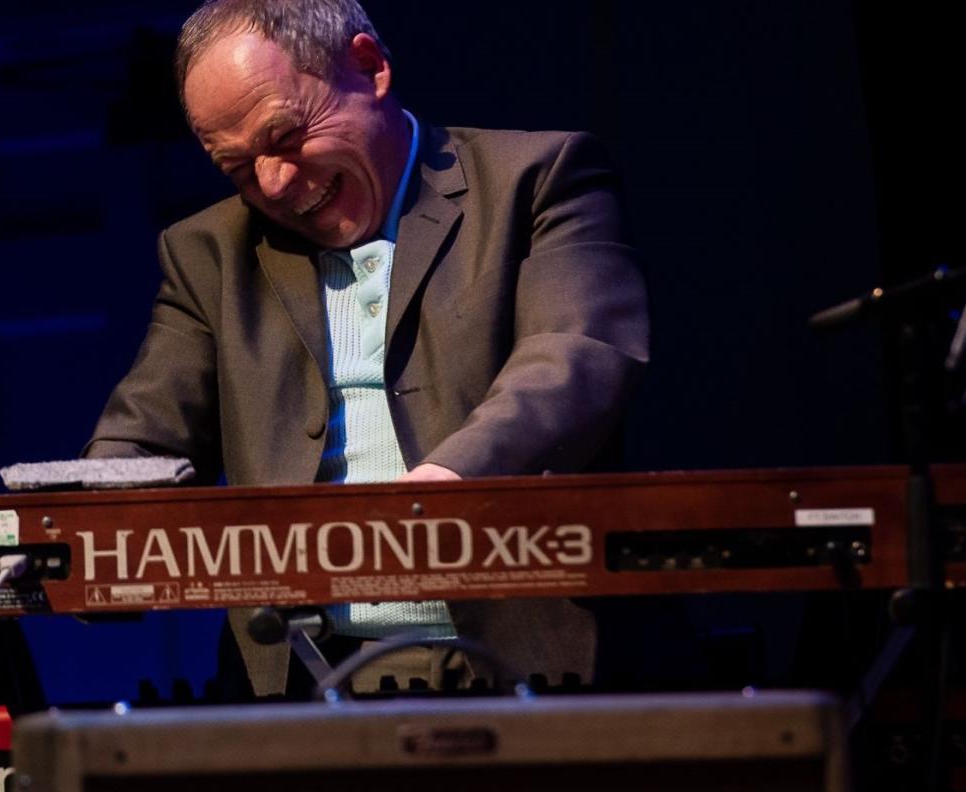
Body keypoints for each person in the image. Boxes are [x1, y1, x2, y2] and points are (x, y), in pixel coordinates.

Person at [84, 0, 650, 697]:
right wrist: (78, 523)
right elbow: (147, 432)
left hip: (530, 665)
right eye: (237, 167)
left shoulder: (537, 179)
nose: (274, 184)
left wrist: (447, 482)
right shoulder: (208, 253)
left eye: (286, 135)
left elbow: (577, 352)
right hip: (302, 679)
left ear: (369, 66)